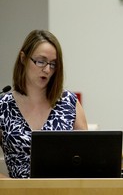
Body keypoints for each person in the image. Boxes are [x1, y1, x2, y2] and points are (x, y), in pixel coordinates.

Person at [0, 30, 88, 178]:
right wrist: (11, 186)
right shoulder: (3, 106)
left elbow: (87, 159)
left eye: (53, 64)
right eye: (41, 61)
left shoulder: (69, 103)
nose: (47, 70)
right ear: (23, 58)